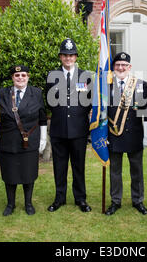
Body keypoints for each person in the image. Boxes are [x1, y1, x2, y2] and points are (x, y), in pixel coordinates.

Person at [46, 38, 92, 213]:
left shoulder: (85, 76)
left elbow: (88, 102)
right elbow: (51, 102)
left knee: (78, 166)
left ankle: (81, 199)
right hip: (59, 129)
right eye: (65, 55)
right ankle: (60, 198)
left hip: (79, 129)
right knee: (59, 166)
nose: (68, 58)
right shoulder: (52, 76)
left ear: (76, 57)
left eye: (71, 55)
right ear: (60, 57)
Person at [105, 52, 147, 216]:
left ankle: (138, 200)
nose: (121, 68)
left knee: (136, 170)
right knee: (115, 171)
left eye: (124, 65)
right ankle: (115, 201)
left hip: (134, 135)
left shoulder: (139, 84)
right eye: (118, 65)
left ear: (129, 67)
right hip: (113, 135)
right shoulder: (106, 85)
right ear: (113, 67)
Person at [0, 65, 47, 216]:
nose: (20, 78)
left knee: (28, 173)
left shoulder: (36, 93)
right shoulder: (2, 93)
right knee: (9, 173)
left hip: (29, 140)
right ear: (12, 77)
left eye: (23, 75)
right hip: (7, 140)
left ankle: (28, 203)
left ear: (28, 77)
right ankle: (10, 204)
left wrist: (43, 138)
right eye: (17, 75)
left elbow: (42, 117)